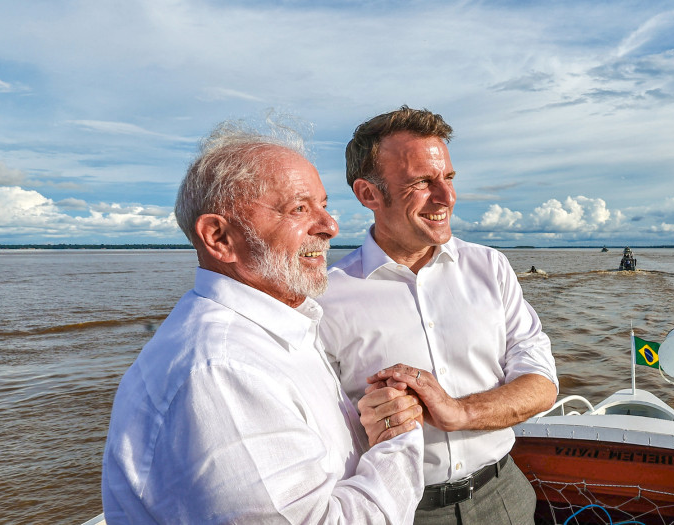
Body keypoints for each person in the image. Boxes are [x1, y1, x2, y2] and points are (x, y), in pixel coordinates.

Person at [101, 119, 426, 524]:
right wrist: (398, 439)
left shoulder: (276, 329)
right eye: (299, 208)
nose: (330, 226)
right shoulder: (223, 370)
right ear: (219, 238)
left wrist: (367, 422)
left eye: (324, 205)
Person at [315, 106, 559, 525]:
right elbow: (312, 425)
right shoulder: (322, 297)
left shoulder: (491, 267)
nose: (446, 198)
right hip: (400, 510)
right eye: (422, 183)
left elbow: (542, 383)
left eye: (447, 178)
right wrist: (367, 418)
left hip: (504, 495)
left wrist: (460, 412)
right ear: (369, 194)